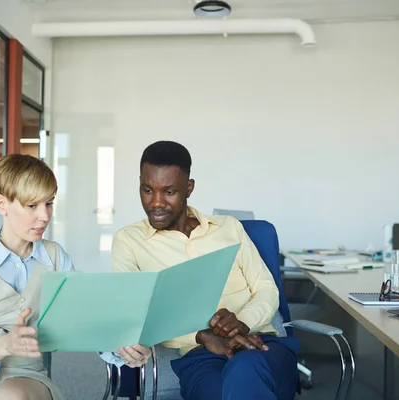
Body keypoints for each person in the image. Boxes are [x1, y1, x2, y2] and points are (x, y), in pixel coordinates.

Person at [0, 154, 150, 400]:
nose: (45, 216)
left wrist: (123, 347)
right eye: (32, 206)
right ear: (1, 205)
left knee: (9, 397)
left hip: (24, 378)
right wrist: (5, 345)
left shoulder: (56, 259)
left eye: (49, 203)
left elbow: (86, 322)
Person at [111, 141, 300, 400]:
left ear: (188, 189)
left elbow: (266, 288)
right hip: (200, 358)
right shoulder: (129, 241)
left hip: (261, 344)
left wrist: (242, 324)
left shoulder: (228, 228)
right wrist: (203, 336)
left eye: (168, 192)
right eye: (147, 190)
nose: (156, 202)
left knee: (245, 370)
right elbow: (137, 312)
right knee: (218, 391)